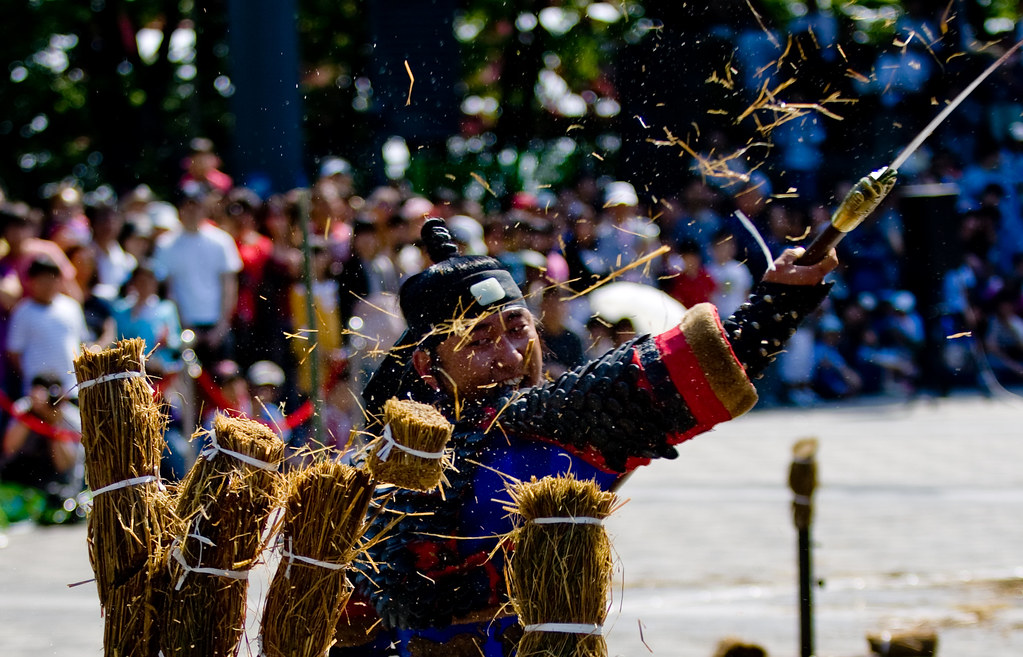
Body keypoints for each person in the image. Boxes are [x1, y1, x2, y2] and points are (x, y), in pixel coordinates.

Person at [340, 208, 841, 656]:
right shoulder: (381, 460)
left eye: (516, 328)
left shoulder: (541, 424)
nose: (511, 356)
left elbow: (665, 375)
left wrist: (773, 309)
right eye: (479, 338)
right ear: (428, 362)